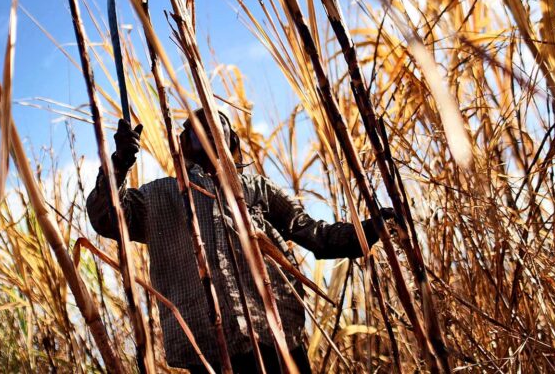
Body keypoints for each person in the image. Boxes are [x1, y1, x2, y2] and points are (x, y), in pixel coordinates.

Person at [87, 109, 393, 373]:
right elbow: (105, 218)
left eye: (217, 124)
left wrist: (371, 228)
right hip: (207, 352)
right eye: (198, 127)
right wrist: (119, 163)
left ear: (232, 141)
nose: (209, 131)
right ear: (182, 144)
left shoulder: (256, 187)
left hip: (277, 339)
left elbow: (318, 237)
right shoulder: (158, 197)